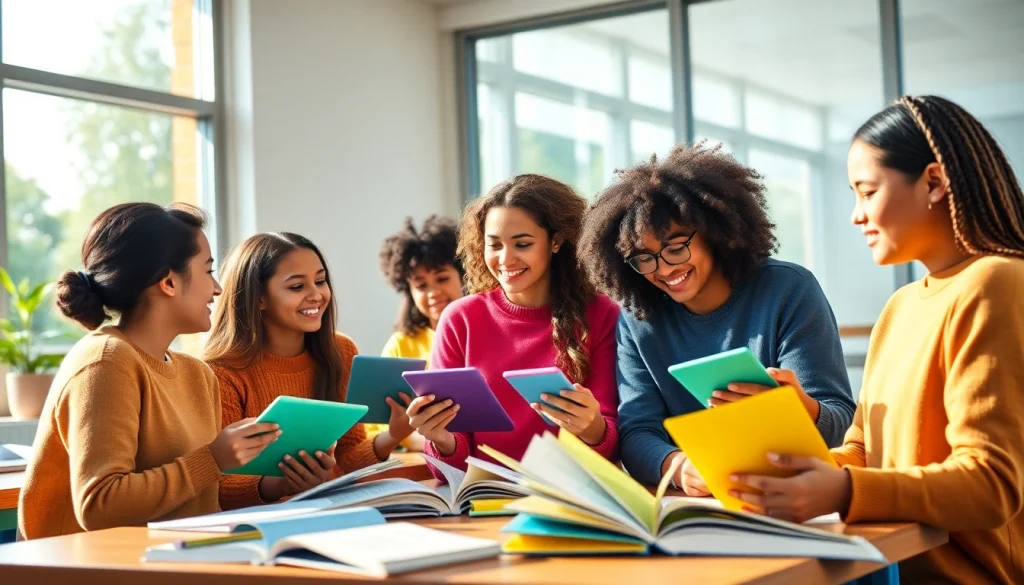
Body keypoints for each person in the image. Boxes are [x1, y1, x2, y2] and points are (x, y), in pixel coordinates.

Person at [731, 95, 1024, 584]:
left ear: (933, 183)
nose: (856, 215)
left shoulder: (996, 283)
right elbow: (864, 452)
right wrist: (793, 464)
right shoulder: (902, 307)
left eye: (867, 192)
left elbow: (991, 483)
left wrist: (844, 490)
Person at [577, 142, 855, 490]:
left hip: (796, 492)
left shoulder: (788, 290)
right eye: (644, 258)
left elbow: (843, 423)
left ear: (712, 232)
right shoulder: (638, 320)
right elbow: (637, 433)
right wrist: (677, 466)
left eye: (676, 247)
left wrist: (803, 408)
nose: (664, 268)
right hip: (698, 506)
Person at [18, 203, 279, 539]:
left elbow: (198, 502)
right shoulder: (106, 361)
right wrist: (213, 458)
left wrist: (276, 484)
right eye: (208, 270)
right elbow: (99, 505)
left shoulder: (197, 374)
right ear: (168, 282)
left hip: (178, 562)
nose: (218, 288)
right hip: (95, 569)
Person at [406, 174, 621, 475]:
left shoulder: (601, 314)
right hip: (482, 498)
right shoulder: (459, 320)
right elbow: (447, 471)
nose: (506, 259)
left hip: (570, 498)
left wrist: (593, 428)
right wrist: (441, 439)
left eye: (522, 244)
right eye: (494, 245)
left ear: (556, 241)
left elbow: (610, 449)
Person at [203, 232, 411, 509]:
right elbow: (216, 487)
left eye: (321, 281)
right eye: (297, 286)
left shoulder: (341, 351)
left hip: (328, 512)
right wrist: (282, 484)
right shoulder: (220, 372)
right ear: (259, 298)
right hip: (259, 524)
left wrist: (393, 435)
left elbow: (345, 458)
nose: (316, 295)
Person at [372, 216, 465, 450]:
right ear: (409, 291)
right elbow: (379, 424)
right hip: (424, 459)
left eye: (442, 279)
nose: (433, 292)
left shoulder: (483, 331)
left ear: (464, 276)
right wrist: (416, 439)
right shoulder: (401, 345)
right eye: (421, 285)